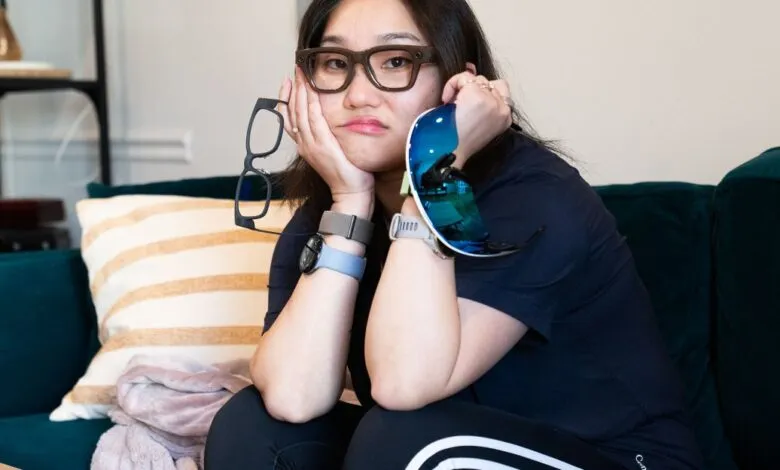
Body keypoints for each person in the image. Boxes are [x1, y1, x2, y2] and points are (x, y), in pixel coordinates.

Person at [204, 0, 705, 468]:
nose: (358, 94)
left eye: (397, 61)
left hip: (611, 456)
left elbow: (406, 384)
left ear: (457, 85)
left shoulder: (533, 194)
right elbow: (294, 395)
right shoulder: (331, 209)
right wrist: (350, 209)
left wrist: (435, 167)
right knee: (252, 426)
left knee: (402, 437)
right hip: (450, 440)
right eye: (335, 63)